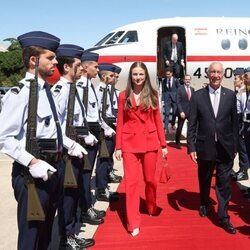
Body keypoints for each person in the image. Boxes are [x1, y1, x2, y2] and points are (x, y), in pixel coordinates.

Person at [0, 31, 86, 250]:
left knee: (47, 235)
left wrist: (70, 144)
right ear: (33, 60)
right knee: (32, 237)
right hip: (32, 175)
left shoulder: (47, 91)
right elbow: (4, 138)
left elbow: (54, 131)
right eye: (50, 57)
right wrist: (31, 162)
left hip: (53, 169)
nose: (56, 62)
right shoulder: (20, 93)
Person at [115, 61, 168, 237]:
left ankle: (151, 204)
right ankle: (133, 222)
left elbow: (158, 120)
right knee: (130, 183)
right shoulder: (123, 96)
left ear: (146, 76)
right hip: (129, 143)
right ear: (131, 76)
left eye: (141, 74)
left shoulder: (152, 94)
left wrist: (163, 144)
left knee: (150, 180)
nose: (138, 77)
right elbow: (120, 122)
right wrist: (118, 147)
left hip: (150, 142)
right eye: (135, 74)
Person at [51, 44, 95, 249]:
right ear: (67, 67)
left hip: (77, 149)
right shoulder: (60, 90)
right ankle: (66, 237)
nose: (82, 69)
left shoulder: (73, 89)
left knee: (74, 195)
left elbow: (77, 120)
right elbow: (56, 125)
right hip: (67, 153)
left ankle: (73, 231)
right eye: (78, 66)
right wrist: (71, 145)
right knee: (67, 198)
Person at [187, 62, 238, 234]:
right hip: (204, 146)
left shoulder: (230, 95)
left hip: (225, 147)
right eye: (213, 72)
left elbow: (234, 124)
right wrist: (191, 146)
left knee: (224, 184)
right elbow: (192, 123)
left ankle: (224, 217)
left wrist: (235, 147)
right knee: (205, 178)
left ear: (223, 75)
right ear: (208, 74)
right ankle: (204, 202)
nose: (216, 75)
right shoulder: (198, 96)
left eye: (219, 72)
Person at [76, 52, 107, 225]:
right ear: (85, 67)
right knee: (85, 175)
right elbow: (79, 117)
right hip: (85, 135)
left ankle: (87, 205)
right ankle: (85, 208)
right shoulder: (81, 87)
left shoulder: (89, 85)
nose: (97, 69)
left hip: (94, 133)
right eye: (95, 66)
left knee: (87, 174)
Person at [95, 63, 119, 202]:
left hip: (110, 127)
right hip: (105, 130)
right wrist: (106, 128)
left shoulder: (108, 91)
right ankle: (101, 189)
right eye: (111, 75)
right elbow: (98, 113)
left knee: (107, 157)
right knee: (103, 159)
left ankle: (103, 186)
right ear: (104, 77)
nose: (113, 78)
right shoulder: (99, 91)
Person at [231, 68, 249, 182]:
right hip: (242, 122)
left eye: (236, 78)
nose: (234, 80)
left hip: (243, 123)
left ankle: (244, 170)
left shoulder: (243, 93)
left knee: (243, 148)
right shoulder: (240, 92)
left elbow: (241, 110)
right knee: (241, 147)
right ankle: (242, 169)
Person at [236, 67, 250, 185]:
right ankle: (244, 170)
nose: (245, 77)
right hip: (245, 124)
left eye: (246, 75)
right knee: (245, 149)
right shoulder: (244, 92)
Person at [175, 74, 194, 149]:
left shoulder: (192, 89)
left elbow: (193, 101)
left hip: (190, 112)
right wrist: (181, 111)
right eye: (186, 79)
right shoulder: (180, 89)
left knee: (191, 128)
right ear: (184, 80)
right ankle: (177, 141)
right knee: (180, 127)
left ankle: (189, 143)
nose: (187, 80)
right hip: (182, 112)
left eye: (189, 79)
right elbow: (178, 101)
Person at [162, 67, 180, 132]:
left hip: (174, 99)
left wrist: (178, 98)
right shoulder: (164, 81)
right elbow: (163, 90)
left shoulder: (176, 80)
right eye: (166, 74)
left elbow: (179, 89)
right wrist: (163, 99)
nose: (167, 76)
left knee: (174, 113)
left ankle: (172, 124)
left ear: (172, 74)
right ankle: (166, 127)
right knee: (167, 113)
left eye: (168, 74)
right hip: (167, 99)